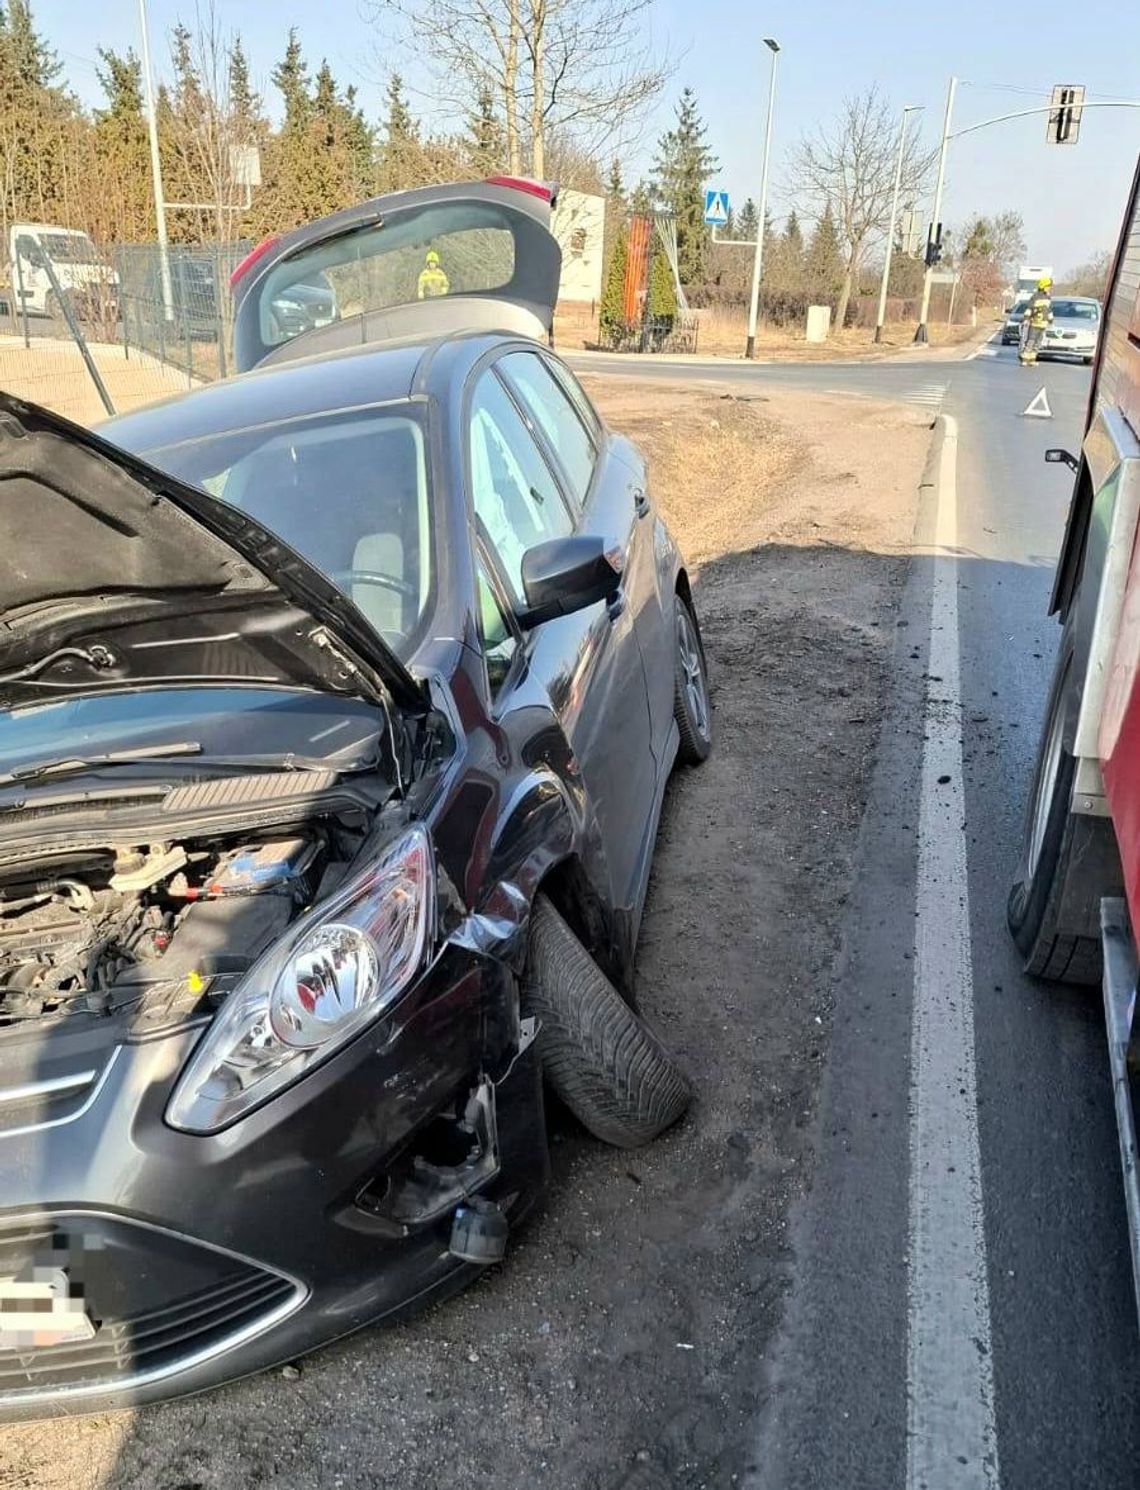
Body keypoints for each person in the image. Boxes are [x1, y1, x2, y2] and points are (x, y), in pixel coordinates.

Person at [1019, 277, 1053, 366]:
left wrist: (1050, 320)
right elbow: (1029, 308)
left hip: (1043, 324)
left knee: (1038, 343)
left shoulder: (1048, 297)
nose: (1049, 288)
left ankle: (1032, 360)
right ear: (1043, 286)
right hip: (1034, 323)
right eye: (1048, 286)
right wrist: (1026, 319)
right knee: (1030, 341)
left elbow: (1049, 310)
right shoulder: (1035, 297)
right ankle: (1025, 359)